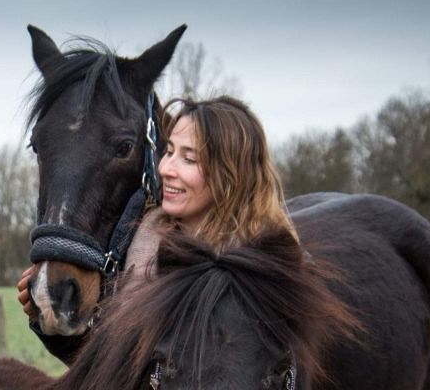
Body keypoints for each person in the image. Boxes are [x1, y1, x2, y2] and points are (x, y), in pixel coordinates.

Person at [18, 95, 298, 364]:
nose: (165, 168)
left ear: (230, 174)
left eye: (189, 159)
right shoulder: (139, 239)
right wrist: (61, 328)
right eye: (169, 151)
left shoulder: (266, 263)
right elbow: (108, 368)